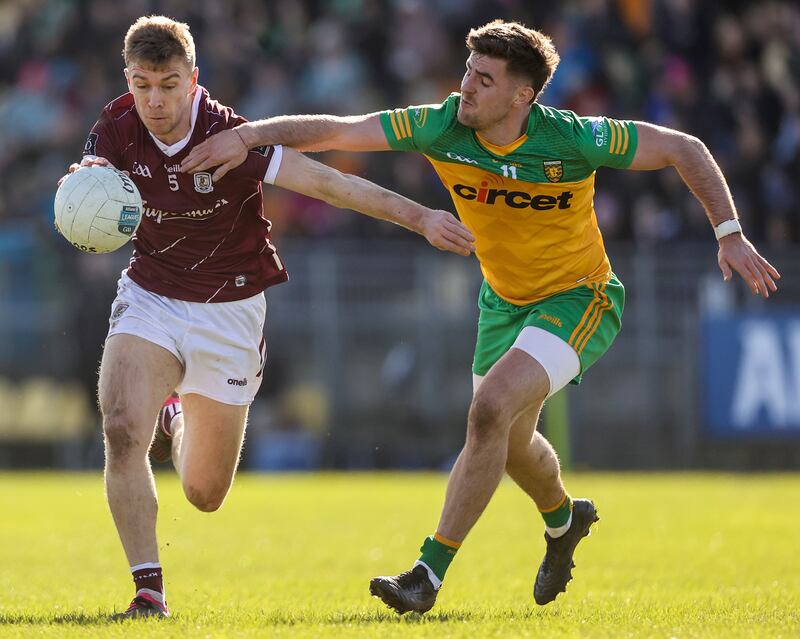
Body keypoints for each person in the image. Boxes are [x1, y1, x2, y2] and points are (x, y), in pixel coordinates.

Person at [181, 20, 781, 614]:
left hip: (580, 297)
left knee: (489, 409)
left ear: (523, 96)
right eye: (468, 71)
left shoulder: (572, 138)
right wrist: (249, 134)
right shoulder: (442, 124)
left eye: (484, 79)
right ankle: (563, 520)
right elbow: (340, 130)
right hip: (503, 303)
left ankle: (427, 574)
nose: (466, 87)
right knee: (512, 442)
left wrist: (727, 232)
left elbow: (684, 148)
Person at [59, 15, 475, 620]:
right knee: (122, 426)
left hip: (230, 311)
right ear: (129, 79)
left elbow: (330, 185)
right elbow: (96, 183)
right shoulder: (115, 125)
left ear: (193, 79)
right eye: (142, 83)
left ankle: (177, 418)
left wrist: (423, 219)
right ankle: (149, 591)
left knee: (204, 492)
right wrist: (84, 181)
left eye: (168, 84)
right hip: (150, 296)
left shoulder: (230, 138)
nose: (154, 99)